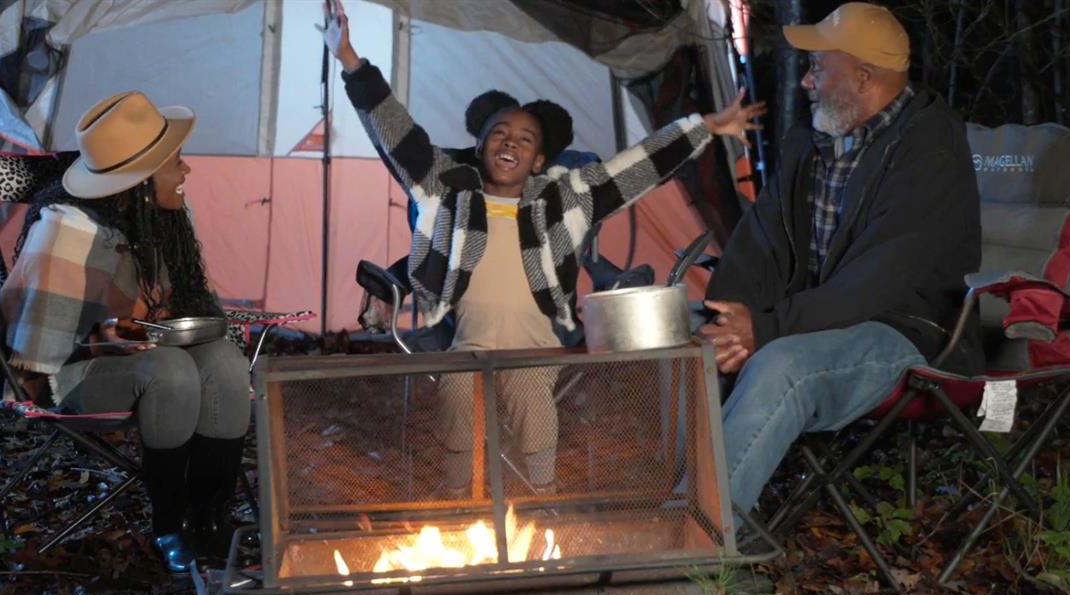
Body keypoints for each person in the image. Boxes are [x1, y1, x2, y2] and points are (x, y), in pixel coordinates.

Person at [321, 0, 764, 496]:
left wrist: (706, 127)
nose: (510, 142)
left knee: (531, 397)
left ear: (538, 161)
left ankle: (540, 499)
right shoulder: (445, 188)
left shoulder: (565, 198)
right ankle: (459, 500)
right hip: (462, 344)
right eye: (499, 134)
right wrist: (350, 59)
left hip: (538, 347)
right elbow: (396, 133)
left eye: (525, 139)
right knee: (457, 399)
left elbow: (637, 168)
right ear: (480, 146)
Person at [700, 2, 983, 514]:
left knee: (783, 365)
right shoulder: (811, 140)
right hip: (818, 318)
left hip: (906, 331)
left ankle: (703, 537)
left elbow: (880, 279)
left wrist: (765, 329)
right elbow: (761, 239)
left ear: (863, 76)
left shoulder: (930, 150)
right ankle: (662, 504)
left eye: (817, 67)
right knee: (680, 337)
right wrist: (725, 319)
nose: (806, 82)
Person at [0, 91, 250, 572]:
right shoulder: (66, 231)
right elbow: (35, 357)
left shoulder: (161, 222)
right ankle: (170, 527)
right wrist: (101, 342)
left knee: (226, 364)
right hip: (62, 377)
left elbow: (187, 308)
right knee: (172, 371)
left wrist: (162, 331)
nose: (186, 170)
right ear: (140, 183)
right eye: (176, 162)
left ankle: (211, 520)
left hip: (145, 357)